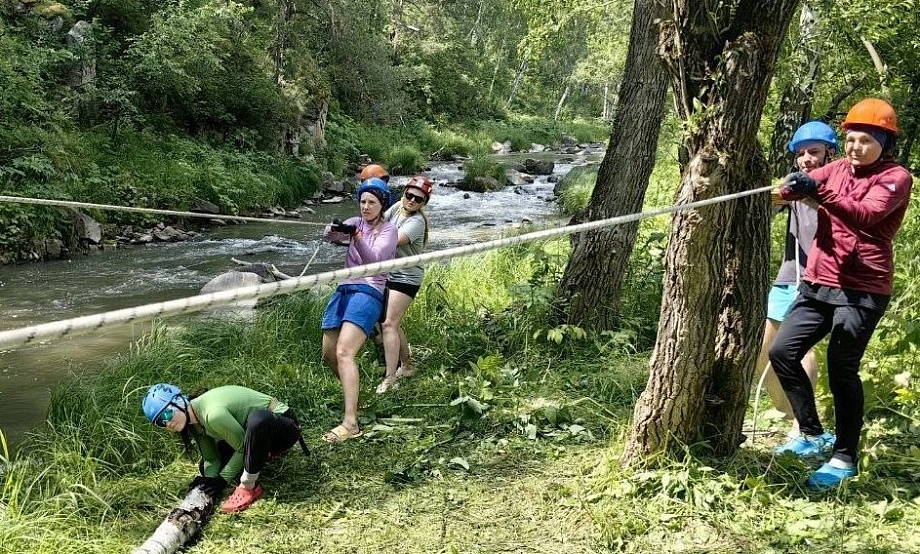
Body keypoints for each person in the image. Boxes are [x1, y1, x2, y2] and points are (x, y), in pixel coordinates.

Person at [769, 98, 912, 490]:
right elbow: (802, 187)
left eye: (866, 141)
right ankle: (812, 434)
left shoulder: (896, 177)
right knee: (782, 352)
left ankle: (844, 457)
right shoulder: (836, 169)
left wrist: (817, 191)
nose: (855, 147)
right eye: (851, 139)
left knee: (841, 367)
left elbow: (864, 215)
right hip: (818, 283)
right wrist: (789, 188)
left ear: (885, 142)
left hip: (862, 289)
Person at [753, 121, 837, 438]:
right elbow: (766, 206)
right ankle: (793, 411)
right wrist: (779, 194)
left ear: (830, 152)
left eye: (813, 151)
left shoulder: (841, 182)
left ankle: (804, 427)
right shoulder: (795, 184)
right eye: (800, 153)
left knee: (801, 348)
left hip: (823, 277)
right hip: (790, 274)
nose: (806, 159)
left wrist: (811, 193)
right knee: (763, 348)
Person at [142, 383, 306, 513]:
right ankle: (263, 454)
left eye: (167, 414)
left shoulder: (212, 414)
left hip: (284, 428)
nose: (167, 423)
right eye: (160, 423)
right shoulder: (194, 424)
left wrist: (222, 480)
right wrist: (209, 484)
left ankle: (249, 486)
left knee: (258, 421)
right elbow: (212, 459)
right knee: (207, 468)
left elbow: (242, 447)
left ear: (179, 401)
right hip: (256, 436)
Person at [321, 177, 398, 442]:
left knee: (344, 352)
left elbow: (373, 262)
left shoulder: (389, 231)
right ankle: (353, 397)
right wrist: (333, 228)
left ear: (382, 205)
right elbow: (330, 237)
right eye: (362, 202)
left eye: (371, 202)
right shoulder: (356, 222)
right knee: (329, 353)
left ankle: (351, 423)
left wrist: (356, 237)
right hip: (344, 288)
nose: (365, 207)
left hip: (369, 291)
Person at [375, 175, 433, 394]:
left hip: (407, 277)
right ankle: (407, 365)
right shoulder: (397, 208)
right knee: (391, 323)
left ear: (423, 203)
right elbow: (378, 222)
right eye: (409, 195)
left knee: (389, 324)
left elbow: (393, 241)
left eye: (418, 199)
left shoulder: (417, 222)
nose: (412, 201)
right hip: (390, 274)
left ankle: (390, 379)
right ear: (404, 193)